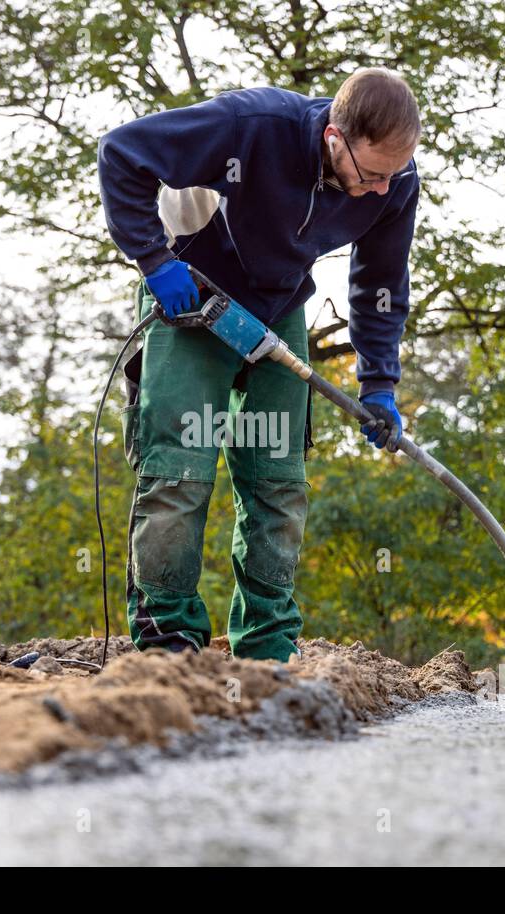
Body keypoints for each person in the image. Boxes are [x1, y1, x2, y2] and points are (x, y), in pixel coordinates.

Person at [97, 67, 421, 662]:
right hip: (192, 298)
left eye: (393, 174)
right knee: (179, 473)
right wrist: (154, 260)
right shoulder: (251, 127)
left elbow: (380, 281)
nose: (381, 189)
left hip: (277, 311)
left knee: (277, 480)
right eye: (371, 173)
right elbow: (122, 153)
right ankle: (167, 641)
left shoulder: (394, 182)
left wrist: (379, 383)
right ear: (333, 137)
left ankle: (267, 644)